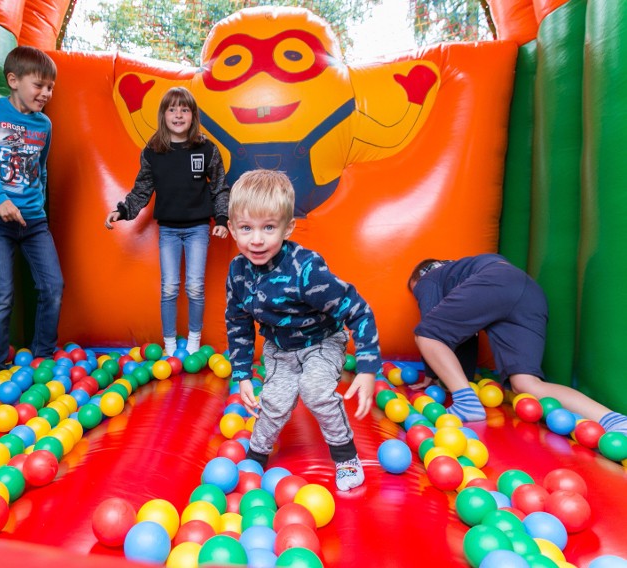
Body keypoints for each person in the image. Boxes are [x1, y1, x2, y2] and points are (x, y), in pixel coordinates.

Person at [225, 169, 381, 491]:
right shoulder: (237, 271)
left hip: (321, 341)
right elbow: (238, 321)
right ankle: (256, 456)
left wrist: (367, 368)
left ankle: (346, 456)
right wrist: (241, 374)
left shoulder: (306, 269)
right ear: (231, 229)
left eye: (269, 227)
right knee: (273, 404)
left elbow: (359, 310)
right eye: (246, 228)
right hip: (281, 350)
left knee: (314, 389)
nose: (256, 239)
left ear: (288, 228)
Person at [409, 254, 627, 434]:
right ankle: (614, 420)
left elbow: (432, 326)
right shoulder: (464, 272)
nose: (417, 294)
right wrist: (458, 379)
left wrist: (431, 371)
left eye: (415, 291)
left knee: (426, 334)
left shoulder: (429, 277)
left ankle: (467, 404)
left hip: (498, 281)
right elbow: (464, 338)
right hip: (529, 292)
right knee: (526, 383)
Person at [104, 87, 229, 355]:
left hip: (197, 229)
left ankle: (194, 340)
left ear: (193, 115)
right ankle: (170, 345)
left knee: (195, 286)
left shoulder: (206, 148)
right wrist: (123, 210)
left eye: (184, 109)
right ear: (163, 115)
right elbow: (142, 190)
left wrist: (221, 218)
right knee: (169, 287)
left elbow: (220, 186)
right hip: (169, 231)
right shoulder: (153, 151)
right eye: (172, 109)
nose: (178, 114)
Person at [0, 46, 64, 377]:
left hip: (34, 221)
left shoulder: (45, 125)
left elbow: (41, 169)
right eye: (39, 85)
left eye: (50, 87)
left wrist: (39, 209)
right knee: (2, 293)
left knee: (53, 287)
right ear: (13, 80)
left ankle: (42, 358)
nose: (46, 93)